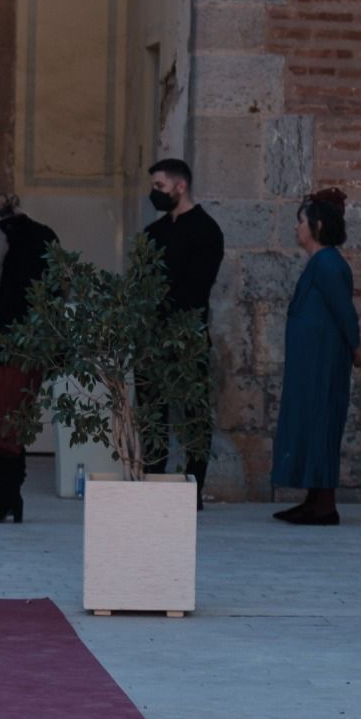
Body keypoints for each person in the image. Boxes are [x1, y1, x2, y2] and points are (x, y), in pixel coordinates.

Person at [270, 188, 361, 525]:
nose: (296, 228)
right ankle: (314, 498)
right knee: (309, 422)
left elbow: (345, 312)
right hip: (310, 362)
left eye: (301, 221)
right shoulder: (320, 264)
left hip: (322, 362)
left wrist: (357, 348)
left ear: (316, 225)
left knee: (319, 423)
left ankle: (324, 504)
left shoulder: (329, 264)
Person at [0, 192, 59, 523]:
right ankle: (10, 498)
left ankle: (8, 497)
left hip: (4, 334)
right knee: (15, 416)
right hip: (36, 334)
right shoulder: (46, 233)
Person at [140, 158, 224, 509]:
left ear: (180, 186)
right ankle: (152, 481)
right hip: (151, 338)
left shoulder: (206, 230)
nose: (154, 194)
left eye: (159, 187)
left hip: (187, 336)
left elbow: (198, 286)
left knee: (194, 413)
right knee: (152, 412)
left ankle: (195, 490)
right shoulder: (154, 234)